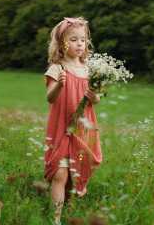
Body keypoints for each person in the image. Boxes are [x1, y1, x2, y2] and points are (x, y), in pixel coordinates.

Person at [43, 17, 102, 224]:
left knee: (72, 173)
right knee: (60, 174)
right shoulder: (57, 69)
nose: (80, 44)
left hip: (82, 127)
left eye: (83, 40)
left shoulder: (89, 69)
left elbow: (96, 98)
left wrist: (94, 98)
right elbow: (50, 97)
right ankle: (55, 220)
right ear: (61, 44)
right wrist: (59, 85)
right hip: (61, 127)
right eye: (74, 39)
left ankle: (69, 209)